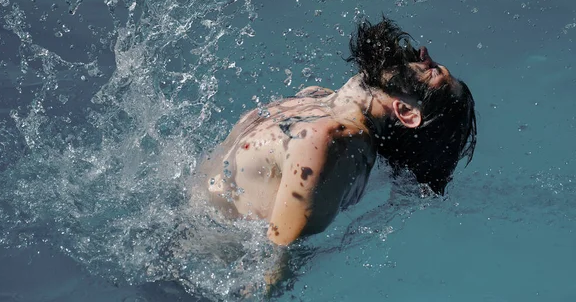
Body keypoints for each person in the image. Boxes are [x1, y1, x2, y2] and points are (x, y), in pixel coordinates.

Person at [194, 16, 477, 246]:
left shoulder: (331, 140)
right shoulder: (317, 98)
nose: (423, 55)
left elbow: (276, 257)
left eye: (431, 72)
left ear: (405, 112)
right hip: (179, 236)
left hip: (194, 270)